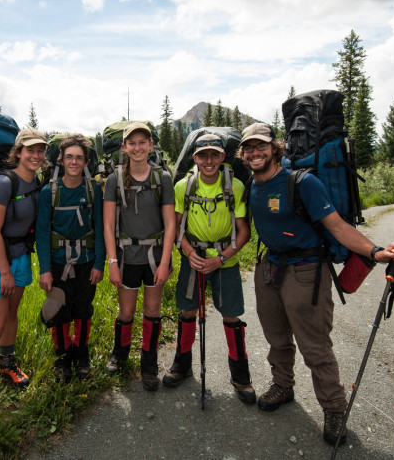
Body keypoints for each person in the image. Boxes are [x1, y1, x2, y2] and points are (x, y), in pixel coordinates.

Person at [239, 122, 394, 446]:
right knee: (276, 338)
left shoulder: (302, 182)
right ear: (243, 154)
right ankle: (283, 385)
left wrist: (375, 251)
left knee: (315, 347)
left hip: (305, 271)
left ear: (274, 148)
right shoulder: (251, 185)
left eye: (260, 145)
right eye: (248, 147)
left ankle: (334, 408)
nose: (255, 152)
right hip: (268, 268)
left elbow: (337, 225)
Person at [162, 134, 256, 403]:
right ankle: (182, 364)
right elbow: (177, 228)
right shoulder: (183, 187)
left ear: (223, 157)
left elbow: (243, 231)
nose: (209, 160)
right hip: (194, 258)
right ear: (195, 158)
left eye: (214, 154)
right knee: (188, 309)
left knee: (231, 315)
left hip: (225, 260)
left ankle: (240, 376)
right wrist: (190, 254)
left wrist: (222, 258)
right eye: (203, 155)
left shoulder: (235, 186)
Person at [0, 127, 48, 406]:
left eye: (41, 150)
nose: (36, 155)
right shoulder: (3, 184)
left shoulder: (36, 182)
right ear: (18, 153)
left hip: (20, 255)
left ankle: (7, 364)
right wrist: (4, 271)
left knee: (12, 315)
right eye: (30, 150)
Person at [103, 122, 176, 391]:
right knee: (126, 311)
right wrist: (112, 262)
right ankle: (119, 356)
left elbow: (170, 225)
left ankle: (149, 364)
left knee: (153, 310)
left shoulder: (162, 179)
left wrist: (166, 262)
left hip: (155, 257)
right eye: (131, 143)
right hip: (126, 256)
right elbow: (108, 225)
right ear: (124, 147)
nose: (137, 147)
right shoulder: (114, 180)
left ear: (151, 145)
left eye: (142, 142)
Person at [36, 134, 105, 383]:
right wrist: (45, 269)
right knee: (59, 311)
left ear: (86, 161)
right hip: (56, 263)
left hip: (87, 262)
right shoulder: (49, 192)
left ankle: (82, 354)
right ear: (61, 160)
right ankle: (63, 357)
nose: (74, 162)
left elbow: (100, 228)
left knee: (83, 311)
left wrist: (99, 263)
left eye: (79, 157)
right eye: (69, 157)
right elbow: (42, 233)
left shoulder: (93, 190)